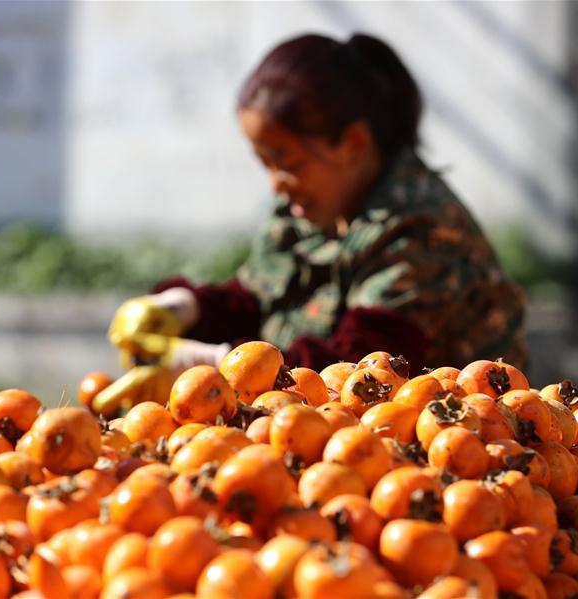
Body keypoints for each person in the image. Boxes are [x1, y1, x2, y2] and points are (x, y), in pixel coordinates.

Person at [94, 33, 527, 413]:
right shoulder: (306, 210)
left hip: (451, 451)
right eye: (264, 164)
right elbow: (253, 301)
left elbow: (358, 371)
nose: (276, 185)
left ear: (352, 144)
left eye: (287, 163)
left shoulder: (422, 230)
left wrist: (210, 364)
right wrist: (181, 308)